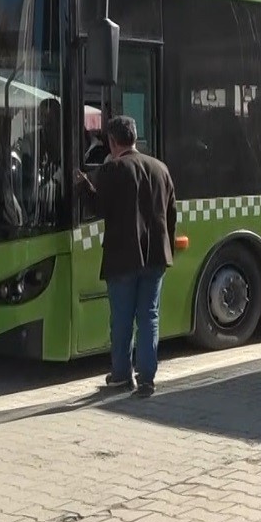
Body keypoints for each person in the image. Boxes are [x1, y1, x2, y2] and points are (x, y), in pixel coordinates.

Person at [75, 115, 177, 398]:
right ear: (134, 138)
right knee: (149, 316)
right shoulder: (160, 169)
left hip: (122, 257)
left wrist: (82, 185)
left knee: (121, 319)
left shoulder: (113, 169)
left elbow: (98, 208)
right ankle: (147, 379)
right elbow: (170, 215)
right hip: (156, 256)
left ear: (111, 141)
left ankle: (121, 375)